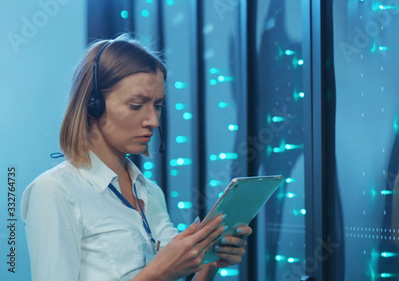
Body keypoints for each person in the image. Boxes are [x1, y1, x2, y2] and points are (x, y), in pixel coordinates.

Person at [20, 34, 252, 281]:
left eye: (158, 105)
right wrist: (158, 273)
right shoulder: (55, 191)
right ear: (93, 104)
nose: (153, 121)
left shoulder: (150, 192)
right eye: (136, 105)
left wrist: (209, 263)